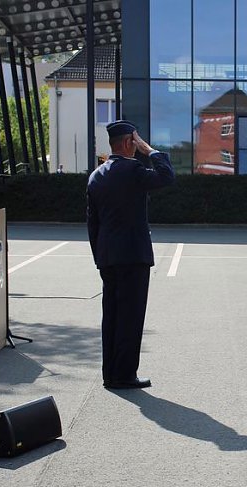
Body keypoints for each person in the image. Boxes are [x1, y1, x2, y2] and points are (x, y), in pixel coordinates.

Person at [86, 120, 175, 390]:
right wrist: (152, 152)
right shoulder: (133, 169)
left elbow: (93, 224)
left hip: (108, 257)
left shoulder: (96, 175)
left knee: (111, 316)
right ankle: (124, 375)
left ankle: (110, 373)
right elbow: (166, 176)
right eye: (136, 142)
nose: (138, 148)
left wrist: (99, 256)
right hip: (133, 257)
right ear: (128, 143)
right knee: (130, 317)